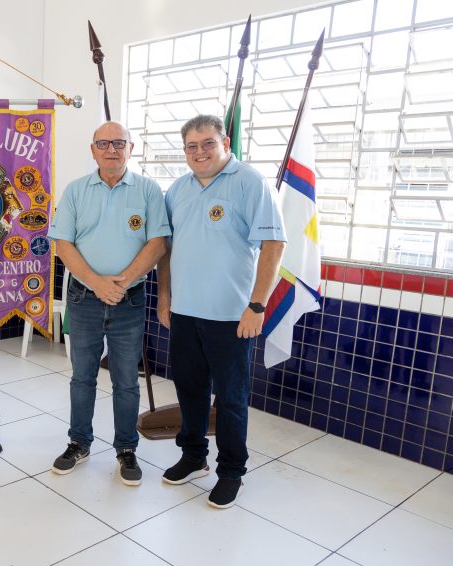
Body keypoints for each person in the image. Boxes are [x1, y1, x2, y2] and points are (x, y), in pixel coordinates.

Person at [156, 114, 286, 508]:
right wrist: (165, 297)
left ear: (225, 143)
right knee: (189, 390)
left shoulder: (249, 182)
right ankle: (194, 456)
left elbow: (274, 245)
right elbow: (167, 248)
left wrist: (257, 305)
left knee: (230, 398)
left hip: (232, 316)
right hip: (185, 312)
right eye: (191, 146)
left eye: (208, 143)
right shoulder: (177, 190)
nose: (200, 152)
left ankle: (231, 472)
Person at [47, 121, 170, 486]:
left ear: (131, 148)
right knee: (82, 376)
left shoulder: (148, 190)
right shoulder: (76, 190)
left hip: (129, 299)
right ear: (93, 150)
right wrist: (97, 282)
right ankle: (79, 443)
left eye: (119, 143)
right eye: (103, 143)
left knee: (126, 381)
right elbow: (63, 244)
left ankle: (126, 449)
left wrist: (124, 281)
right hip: (84, 298)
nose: (111, 149)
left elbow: (158, 243)